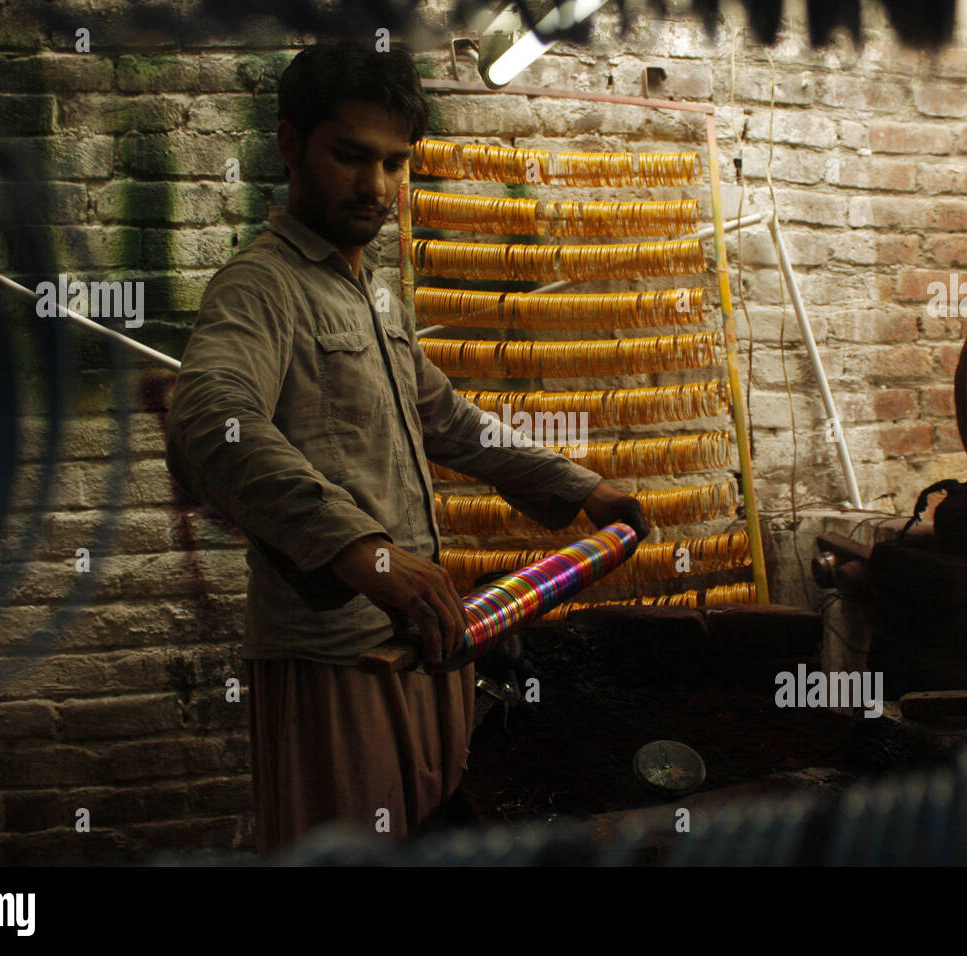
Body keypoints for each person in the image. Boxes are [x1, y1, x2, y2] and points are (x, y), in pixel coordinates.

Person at [163, 40, 648, 853]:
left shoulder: (370, 295)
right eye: (351, 157)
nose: (376, 187)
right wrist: (363, 552)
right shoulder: (262, 286)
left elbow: (450, 421)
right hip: (338, 665)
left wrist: (577, 488)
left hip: (424, 641)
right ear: (290, 144)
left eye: (395, 163)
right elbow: (212, 418)